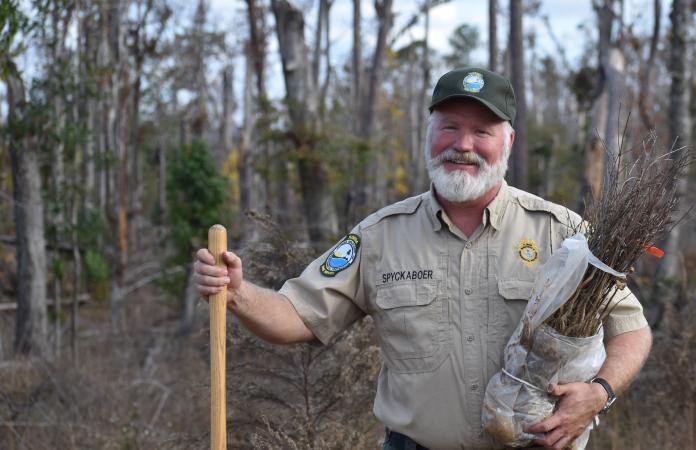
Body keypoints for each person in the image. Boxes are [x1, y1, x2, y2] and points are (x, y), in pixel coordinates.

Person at [193, 67, 652, 450]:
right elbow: (297, 315)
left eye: (482, 131)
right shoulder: (379, 237)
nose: (463, 144)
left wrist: (599, 392)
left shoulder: (565, 235)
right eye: (449, 126)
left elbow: (631, 330)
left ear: (508, 141)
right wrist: (238, 293)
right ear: (428, 133)